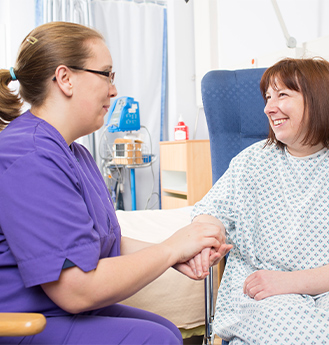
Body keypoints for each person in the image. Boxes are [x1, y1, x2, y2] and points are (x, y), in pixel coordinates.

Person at [0, 21, 231, 345]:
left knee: (165, 330)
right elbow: (77, 290)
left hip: (55, 309)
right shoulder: (28, 156)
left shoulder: (73, 152)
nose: (114, 89)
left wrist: (177, 254)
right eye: (106, 74)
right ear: (65, 78)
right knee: (156, 340)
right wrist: (169, 249)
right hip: (26, 319)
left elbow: (104, 242)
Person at [192, 58, 329, 344]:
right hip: (263, 289)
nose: (269, 108)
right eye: (268, 97)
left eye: (282, 95)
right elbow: (211, 213)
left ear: (319, 99)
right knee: (284, 330)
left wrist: (292, 282)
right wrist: (207, 236)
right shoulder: (252, 162)